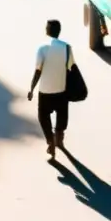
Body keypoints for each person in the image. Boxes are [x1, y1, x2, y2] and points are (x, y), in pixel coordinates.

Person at [27, 19, 75, 159]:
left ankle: (50, 141)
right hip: (61, 89)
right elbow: (71, 68)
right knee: (62, 114)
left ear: (47, 31)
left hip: (45, 91)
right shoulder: (67, 47)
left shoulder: (42, 48)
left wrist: (31, 88)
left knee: (43, 116)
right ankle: (59, 138)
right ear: (59, 31)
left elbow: (38, 71)